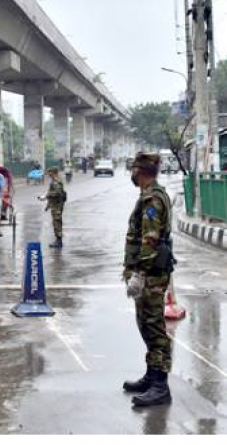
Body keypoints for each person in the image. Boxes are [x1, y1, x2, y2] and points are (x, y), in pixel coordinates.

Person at [122, 152, 175, 407]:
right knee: (146, 325)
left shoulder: (153, 198)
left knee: (154, 328)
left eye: (133, 169)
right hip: (150, 273)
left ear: (139, 171)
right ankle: (152, 375)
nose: (132, 174)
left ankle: (160, 385)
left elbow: (150, 239)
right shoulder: (151, 194)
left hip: (151, 274)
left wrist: (140, 273)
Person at [38, 167, 66, 248]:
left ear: (53, 173)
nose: (48, 174)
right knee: (55, 222)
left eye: (49, 173)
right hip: (55, 205)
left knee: (57, 223)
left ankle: (59, 241)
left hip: (57, 206)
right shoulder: (54, 181)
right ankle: (58, 240)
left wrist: (46, 196)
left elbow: (57, 193)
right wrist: (48, 205)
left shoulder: (56, 181)